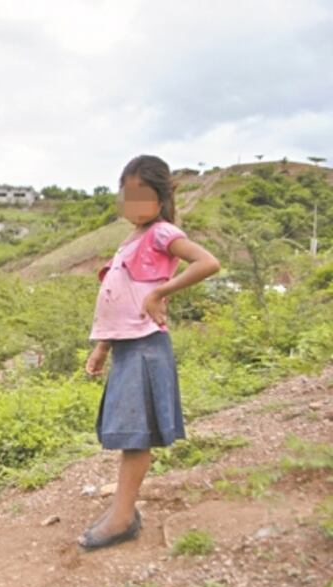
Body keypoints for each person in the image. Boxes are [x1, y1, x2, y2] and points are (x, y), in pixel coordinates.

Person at [77, 154, 221, 550]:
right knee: (130, 432)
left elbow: (208, 262)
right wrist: (102, 348)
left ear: (159, 197)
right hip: (127, 347)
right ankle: (122, 511)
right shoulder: (130, 240)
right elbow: (120, 300)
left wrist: (161, 292)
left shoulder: (162, 233)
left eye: (141, 194)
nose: (132, 203)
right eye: (127, 195)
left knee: (136, 436)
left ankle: (123, 517)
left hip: (146, 346)